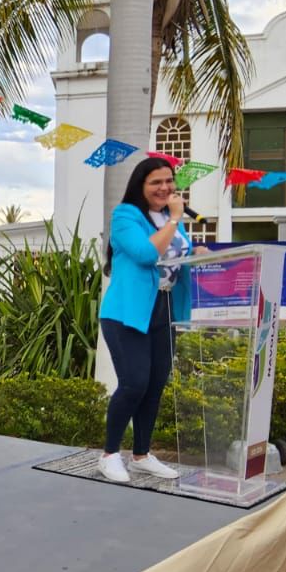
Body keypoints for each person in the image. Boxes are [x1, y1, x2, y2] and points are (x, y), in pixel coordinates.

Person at [97, 157, 197, 483]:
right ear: (141, 185)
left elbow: (181, 255)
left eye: (169, 181)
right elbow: (145, 254)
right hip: (128, 311)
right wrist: (175, 219)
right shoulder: (125, 215)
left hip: (166, 307)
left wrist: (203, 256)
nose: (164, 188)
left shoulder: (170, 218)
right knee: (134, 383)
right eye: (156, 182)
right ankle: (109, 454)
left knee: (154, 385)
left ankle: (141, 455)